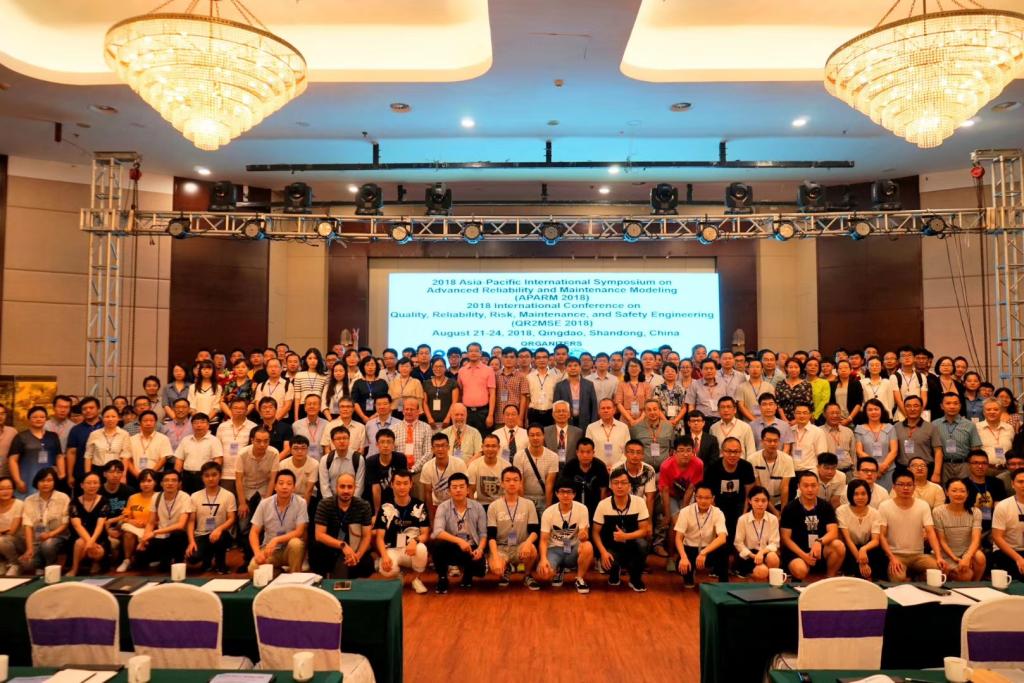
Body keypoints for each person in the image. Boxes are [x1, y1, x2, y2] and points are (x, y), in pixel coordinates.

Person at [879, 469, 945, 582]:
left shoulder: (923, 505)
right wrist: (892, 557)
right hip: (896, 555)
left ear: (914, 487)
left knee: (938, 570)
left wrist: (938, 556)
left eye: (909, 485)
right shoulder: (885, 506)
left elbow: (930, 532)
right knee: (898, 578)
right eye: (901, 484)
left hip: (918, 555)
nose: (905, 488)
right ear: (894, 487)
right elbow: (881, 536)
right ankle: (910, 580)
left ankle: (915, 579)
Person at [592, 468, 652, 592]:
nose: (620, 486)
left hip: (632, 544)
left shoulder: (639, 502)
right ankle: (614, 572)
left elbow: (644, 530)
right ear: (611, 486)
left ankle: (635, 579)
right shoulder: (603, 504)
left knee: (643, 544)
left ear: (629, 486)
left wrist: (625, 536)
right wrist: (603, 553)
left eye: (624, 483)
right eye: (616, 483)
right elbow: (595, 532)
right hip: (610, 546)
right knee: (609, 564)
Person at [428, 472, 488, 592]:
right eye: (454, 487)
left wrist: (480, 549)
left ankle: (468, 574)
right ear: (449, 491)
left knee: (480, 570)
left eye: (461, 486)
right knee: (436, 544)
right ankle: (443, 578)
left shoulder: (478, 507)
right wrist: (459, 541)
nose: (458, 490)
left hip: (471, 547)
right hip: (452, 546)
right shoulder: (443, 507)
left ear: (468, 490)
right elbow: (437, 531)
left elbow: (483, 534)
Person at [780, 471, 845, 580]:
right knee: (800, 570)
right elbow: (786, 538)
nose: (810, 489)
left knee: (838, 545)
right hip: (798, 552)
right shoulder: (790, 508)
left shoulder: (826, 506)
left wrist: (819, 542)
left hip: (819, 550)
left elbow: (833, 532)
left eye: (813, 485)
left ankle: (829, 578)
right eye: (806, 486)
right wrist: (804, 555)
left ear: (818, 486)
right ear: (799, 487)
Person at [373, 469, 429, 593]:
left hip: (411, 549)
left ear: (411, 484)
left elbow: (425, 534)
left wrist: (415, 541)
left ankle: (416, 579)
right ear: (392, 485)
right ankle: (398, 575)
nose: (402, 487)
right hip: (392, 549)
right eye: (398, 483)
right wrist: (384, 555)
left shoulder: (420, 505)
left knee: (421, 549)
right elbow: (379, 537)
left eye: (405, 483)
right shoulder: (385, 507)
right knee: (386, 569)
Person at [312, 472, 375, 579]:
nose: (346, 491)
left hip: (354, 548)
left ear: (355, 488)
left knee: (367, 563)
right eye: (342, 486)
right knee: (316, 548)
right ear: (336, 488)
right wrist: (342, 545)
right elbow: (319, 535)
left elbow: (366, 536)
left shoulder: (364, 506)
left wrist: (357, 556)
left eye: (350, 487)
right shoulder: (325, 504)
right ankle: (321, 581)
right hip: (331, 546)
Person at [486, 466, 540, 589]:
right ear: (502, 483)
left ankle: (527, 575)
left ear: (520, 483)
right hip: (501, 547)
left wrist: (528, 543)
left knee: (531, 549)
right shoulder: (494, 506)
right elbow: (491, 536)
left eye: (515, 480)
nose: (512, 483)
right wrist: (495, 556)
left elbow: (534, 531)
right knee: (495, 566)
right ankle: (506, 569)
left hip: (520, 546)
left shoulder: (528, 504)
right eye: (508, 480)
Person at [536, 478, 593, 593]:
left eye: (569, 492)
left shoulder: (582, 509)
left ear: (574, 494)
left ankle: (579, 578)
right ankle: (558, 570)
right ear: (556, 493)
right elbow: (543, 540)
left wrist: (583, 535)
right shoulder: (548, 512)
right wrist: (543, 559)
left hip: (573, 548)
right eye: (562, 491)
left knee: (587, 546)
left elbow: (584, 535)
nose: (566, 495)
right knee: (544, 574)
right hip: (554, 549)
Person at [659, 436, 706, 574]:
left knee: (687, 523)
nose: (685, 454)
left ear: (694, 451)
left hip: (687, 495)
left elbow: (691, 488)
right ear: (674, 452)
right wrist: (668, 515)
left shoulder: (698, 464)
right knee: (675, 524)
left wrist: (684, 511)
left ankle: (686, 556)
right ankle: (671, 557)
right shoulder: (666, 466)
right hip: (671, 496)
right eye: (681, 450)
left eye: (688, 450)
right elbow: (665, 491)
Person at [248, 469, 308, 575]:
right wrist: (257, 553)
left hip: (290, 549)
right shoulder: (264, 504)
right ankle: (279, 572)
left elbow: (299, 531)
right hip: (270, 550)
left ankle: (294, 576)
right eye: (281, 483)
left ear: (294, 487)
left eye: (289, 484)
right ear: (275, 486)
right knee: (253, 569)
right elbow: (254, 532)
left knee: (296, 543)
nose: (284, 487)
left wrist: (276, 540)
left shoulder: (301, 503)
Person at [701, 436, 755, 551]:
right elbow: (709, 495)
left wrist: (744, 514)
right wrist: (716, 514)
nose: (732, 455)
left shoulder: (746, 467)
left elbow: (749, 495)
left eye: (736, 452)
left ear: (741, 452)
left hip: (739, 505)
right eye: (729, 451)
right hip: (718, 506)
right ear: (722, 452)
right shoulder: (713, 467)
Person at [674, 483, 729, 588]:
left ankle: (724, 583)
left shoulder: (718, 513)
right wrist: (683, 557)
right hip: (690, 548)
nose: (703, 501)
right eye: (700, 497)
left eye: (707, 498)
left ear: (713, 498)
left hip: (708, 549)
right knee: (681, 566)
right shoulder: (685, 512)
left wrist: (704, 552)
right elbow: (678, 537)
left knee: (723, 549)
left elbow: (722, 538)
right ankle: (689, 577)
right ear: (695, 497)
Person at [186, 461, 237, 574]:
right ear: (202, 477)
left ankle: (220, 564)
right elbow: (191, 521)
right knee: (192, 558)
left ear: (220, 475)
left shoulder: (228, 495)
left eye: (214, 475)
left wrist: (219, 529)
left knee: (221, 537)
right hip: (201, 534)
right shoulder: (194, 496)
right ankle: (207, 560)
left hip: (221, 534)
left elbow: (231, 518)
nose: (210, 478)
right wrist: (191, 541)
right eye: (207, 475)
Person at [138, 470, 192, 570]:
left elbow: (181, 525)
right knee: (139, 557)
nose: (170, 483)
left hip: (177, 537)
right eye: (166, 480)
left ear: (179, 483)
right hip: (161, 537)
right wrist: (144, 539)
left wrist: (154, 532)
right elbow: (150, 523)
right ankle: (164, 559)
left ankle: (178, 562)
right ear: (161, 483)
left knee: (178, 534)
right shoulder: (156, 497)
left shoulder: (185, 497)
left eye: (174, 480)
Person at [18, 468, 69, 574]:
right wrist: (29, 548)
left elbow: (66, 523)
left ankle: (51, 568)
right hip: (37, 540)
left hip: (59, 538)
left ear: (55, 482)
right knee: (26, 563)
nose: (45, 484)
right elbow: (27, 525)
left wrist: (50, 534)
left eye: (49, 480)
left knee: (48, 545)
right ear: (36, 482)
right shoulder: (29, 500)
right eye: (42, 480)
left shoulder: (63, 498)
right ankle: (41, 566)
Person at [933, 478, 985, 581]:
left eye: (962, 491)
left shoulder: (976, 512)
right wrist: (955, 558)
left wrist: (967, 557)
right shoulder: (938, 512)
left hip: (967, 552)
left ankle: (976, 584)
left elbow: (976, 539)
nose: (958, 494)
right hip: (947, 554)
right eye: (954, 490)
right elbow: (942, 540)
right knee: (966, 576)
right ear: (947, 492)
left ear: (967, 494)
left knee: (980, 557)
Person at [8, 406, 64, 498]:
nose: (39, 419)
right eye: (34, 417)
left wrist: (62, 473)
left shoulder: (53, 436)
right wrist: (18, 481)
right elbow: (12, 460)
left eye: (42, 417)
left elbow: (59, 456)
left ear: (46, 419)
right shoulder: (21, 437)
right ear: (29, 419)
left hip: (49, 478)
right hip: (27, 477)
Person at [836, 479, 886, 580]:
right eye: (856, 494)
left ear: (868, 495)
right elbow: (848, 540)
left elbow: (875, 540)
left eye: (863, 494)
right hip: (850, 548)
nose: (860, 497)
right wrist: (861, 562)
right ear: (850, 495)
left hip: (867, 547)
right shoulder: (841, 511)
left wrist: (864, 549)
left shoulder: (875, 513)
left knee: (878, 553)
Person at [733, 486, 781, 582]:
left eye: (764, 501)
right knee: (761, 572)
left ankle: (773, 583)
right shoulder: (743, 519)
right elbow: (738, 543)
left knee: (773, 557)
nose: (760, 504)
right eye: (756, 500)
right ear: (750, 501)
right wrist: (753, 555)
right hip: (748, 555)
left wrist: (761, 553)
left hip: (765, 553)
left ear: (768, 502)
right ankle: (756, 583)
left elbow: (774, 543)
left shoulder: (773, 519)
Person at [67, 471, 111, 576]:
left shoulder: (104, 501)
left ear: (99, 485)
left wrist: (92, 542)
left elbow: (100, 525)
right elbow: (77, 526)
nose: (92, 486)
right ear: (82, 485)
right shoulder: (74, 502)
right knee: (80, 542)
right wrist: (89, 542)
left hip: (99, 538)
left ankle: (96, 563)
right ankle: (75, 569)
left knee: (97, 551)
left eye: (95, 483)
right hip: (79, 537)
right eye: (89, 483)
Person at [419, 433, 469, 520]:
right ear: (432, 449)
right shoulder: (427, 467)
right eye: (437, 446)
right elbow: (427, 494)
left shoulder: (459, 464)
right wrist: (431, 519)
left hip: (456, 503)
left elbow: (465, 489)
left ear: (448, 447)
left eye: (443, 445)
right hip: (436, 505)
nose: (440, 449)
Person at [935, 392, 982, 483]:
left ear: (960, 406)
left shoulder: (970, 425)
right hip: (943, 466)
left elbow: (975, 449)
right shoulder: (935, 425)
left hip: (964, 465)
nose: (952, 406)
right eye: (948, 403)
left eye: (955, 403)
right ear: (941, 406)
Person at [116, 468, 157, 572]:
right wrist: (133, 522)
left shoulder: (159, 497)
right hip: (134, 529)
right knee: (128, 532)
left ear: (155, 482)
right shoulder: (133, 498)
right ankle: (127, 560)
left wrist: (147, 524)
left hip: (153, 529)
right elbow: (125, 517)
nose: (146, 484)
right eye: (142, 481)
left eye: (149, 481)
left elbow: (164, 520)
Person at [963, 448, 1007, 543]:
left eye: (984, 463)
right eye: (975, 463)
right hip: (970, 528)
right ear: (969, 465)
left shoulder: (997, 483)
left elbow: (1000, 509)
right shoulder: (962, 484)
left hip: (993, 528)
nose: (980, 466)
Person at [748, 427, 794, 515]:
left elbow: (785, 488)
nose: (772, 444)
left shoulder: (787, 459)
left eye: (775, 441)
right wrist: (775, 512)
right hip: (760, 501)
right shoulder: (752, 459)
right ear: (762, 441)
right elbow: (758, 487)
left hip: (779, 501)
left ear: (779, 442)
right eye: (769, 441)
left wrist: (783, 513)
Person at [513, 424, 559, 514]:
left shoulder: (553, 456)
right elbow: (520, 484)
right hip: (525, 497)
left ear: (543, 435)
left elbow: (549, 484)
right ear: (528, 437)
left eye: (538, 434)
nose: (535, 438)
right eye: (532, 435)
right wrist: (522, 506)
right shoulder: (519, 456)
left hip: (543, 498)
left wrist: (548, 508)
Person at [174, 413, 223, 493]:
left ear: (208, 425)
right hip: (187, 476)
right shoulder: (186, 440)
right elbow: (179, 460)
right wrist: (177, 478)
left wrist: (212, 477)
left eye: (202, 422)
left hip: (205, 477)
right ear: (192, 425)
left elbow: (218, 461)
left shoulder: (214, 440)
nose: (199, 425)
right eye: (196, 423)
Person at [893, 395, 941, 473]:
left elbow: (938, 451)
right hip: (902, 469)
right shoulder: (896, 427)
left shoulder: (931, 427)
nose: (912, 409)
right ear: (904, 408)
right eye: (908, 406)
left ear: (922, 408)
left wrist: (937, 473)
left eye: (916, 406)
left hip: (924, 469)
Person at [992, 468, 1024, 579]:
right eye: (1020, 482)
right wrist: (1018, 558)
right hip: (1007, 550)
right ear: (1012, 484)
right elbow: (997, 537)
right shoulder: (1003, 506)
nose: (1023, 485)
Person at [456, 342, 495, 434]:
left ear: (480, 353)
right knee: (466, 439)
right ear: (467, 353)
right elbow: (460, 392)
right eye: (471, 351)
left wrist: (490, 415)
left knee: (483, 438)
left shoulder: (489, 370)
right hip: (466, 412)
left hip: (483, 412)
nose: (473, 353)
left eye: (476, 351)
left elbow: (492, 394)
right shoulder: (462, 371)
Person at [318, 426, 365, 501]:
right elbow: (324, 486)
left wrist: (351, 503)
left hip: (352, 501)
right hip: (331, 501)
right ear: (332, 441)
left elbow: (359, 485)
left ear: (349, 440)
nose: (342, 441)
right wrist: (330, 503)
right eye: (338, 439)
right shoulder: (325, 460)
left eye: (345, 438)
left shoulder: (358, 459)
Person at [85, 406, 130, 481]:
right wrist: (87, 475)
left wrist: (123, 476)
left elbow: (125, 456)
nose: (110, 419)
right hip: (98, 470)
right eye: (107, 416)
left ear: (118, 418)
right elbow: (88, 456)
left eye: (113, 416)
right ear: (102, 418)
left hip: (116, 472)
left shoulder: (124, 434)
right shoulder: (94, 434)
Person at [553, 357, 598, 429]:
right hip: (566, 421)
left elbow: (594, 406)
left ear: (580, 367)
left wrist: (594, 424)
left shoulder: (589, 384)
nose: (573, 368)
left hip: (585, 421)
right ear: (565, 368)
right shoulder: (560, 386)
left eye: (575, 365)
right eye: (570, 366)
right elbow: (555, 406)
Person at [585, 399, 631, 469]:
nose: (606, 410)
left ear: (614, 410)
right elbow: (588, 450)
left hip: (620, 469)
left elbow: (627, 450)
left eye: (608, 408)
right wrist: (601, 466)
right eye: (603, 408)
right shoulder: (591, 428)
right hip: (597, 468)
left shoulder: (624, 427)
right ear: (599, 411)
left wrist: (616, 467)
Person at [467, 434, 511, 507]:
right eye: (487, 446)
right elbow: (471, 491)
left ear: (498, 448)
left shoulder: (506, 466)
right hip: (481, 505)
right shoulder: (474, 465)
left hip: (501, 505)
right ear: (482, 447)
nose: (490, 449)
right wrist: (475, 508)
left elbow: (509, 490)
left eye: (493, 446)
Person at [365, 429, 403, 512]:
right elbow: (376, 489)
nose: (385, 445)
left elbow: (401, 484)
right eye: (382, 442)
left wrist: (399, 508)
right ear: (377, 444)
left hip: (395, 499)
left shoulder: (400, 458)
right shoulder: (371, 461)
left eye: (389, 442)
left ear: (393, 444)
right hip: (375, 500)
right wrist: (377, 513)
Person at [790, 403, 828, 471]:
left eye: (805, 413)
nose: (801, 416)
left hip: (810, 471)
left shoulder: (818, 432)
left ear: (810, 415)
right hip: (792, 471)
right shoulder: (790, 430)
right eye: (798, 413)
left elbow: (822, 455)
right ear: (794, 415)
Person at [526, 348, 558, 428]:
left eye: (544, 357)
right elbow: (527, 399)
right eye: (538, 358)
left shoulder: (555, 377)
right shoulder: (529, 377)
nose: (542, 360)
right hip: (533, 413)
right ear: (534, 360)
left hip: (550, 413)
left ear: (548, 359)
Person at [979, 398, 1014, 471]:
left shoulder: (1009, 428)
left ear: (1001, 411)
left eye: (996, 409)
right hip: (984, 469)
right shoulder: (977, 428)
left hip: (1006, 469)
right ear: (983, 412)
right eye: (988, 410)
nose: (992, 412)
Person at [545, 401, 584, 467]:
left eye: (564, 411)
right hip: (551, 469)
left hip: (571, 469)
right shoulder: (545, 431)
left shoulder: (578, 432)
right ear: (553, 415)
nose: (561, 413)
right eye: (558, 411)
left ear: (569, 414)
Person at [0, 477, 25, 575]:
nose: (5, 491)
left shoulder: (19, 504)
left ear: (13, 489)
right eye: (1, 489)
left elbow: (12, 531)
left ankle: (15, 564)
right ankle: (2, 562)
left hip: (18, 543)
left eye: (9, 488)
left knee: (2, 540)